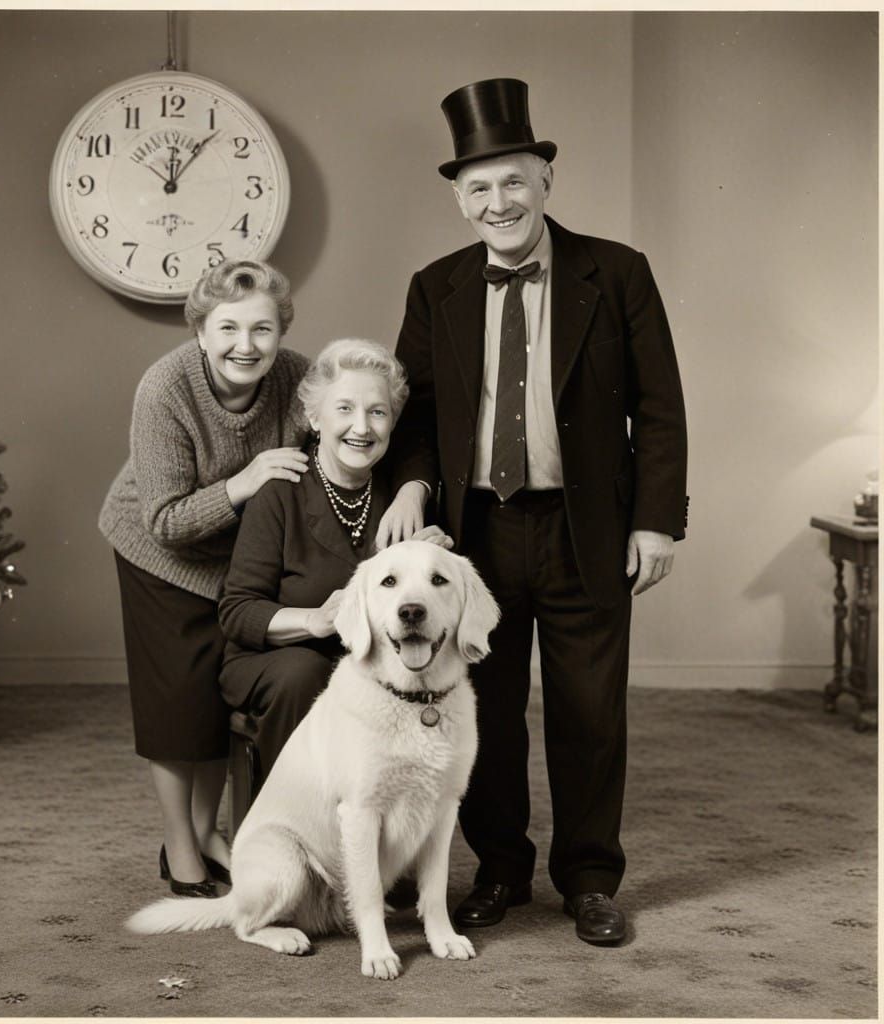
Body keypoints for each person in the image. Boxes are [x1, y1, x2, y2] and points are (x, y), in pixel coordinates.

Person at [376, 78, 688, 945]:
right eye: (478, 188)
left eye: (513, 181)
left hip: (587, 527)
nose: (498, 201)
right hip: (476, 535)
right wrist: (411, 487)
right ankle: (501, 867)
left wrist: (656, 518)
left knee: (591, 711)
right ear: (459, 200)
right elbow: (413, 419)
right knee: (490, 707)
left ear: (545, 181)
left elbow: (659, 405)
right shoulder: (433, 287)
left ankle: (590, 878)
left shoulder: (616, 273)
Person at [99, 259, 310, 897]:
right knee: (176, 709)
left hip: (237, 563)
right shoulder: (165, 387)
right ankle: (178, 845)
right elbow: (163, 519)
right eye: (228, 329)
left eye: (262, 330)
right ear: (200, 329)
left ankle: (210, 832)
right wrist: (245, 484)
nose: (245, 346)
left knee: (218, 700)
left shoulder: (298, 378)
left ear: (281, 332)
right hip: (158, 555)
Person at [219, 338, 446, 779]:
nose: (361, 427)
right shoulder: (280, 491)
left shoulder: (401, 501)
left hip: (369, 658)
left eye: (377, 412)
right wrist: (314, 621)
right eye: (344, 409)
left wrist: (434, 570)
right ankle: (293, 820)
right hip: (281, 658)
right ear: (313, 417)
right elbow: (238, 610)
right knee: (309, 672)